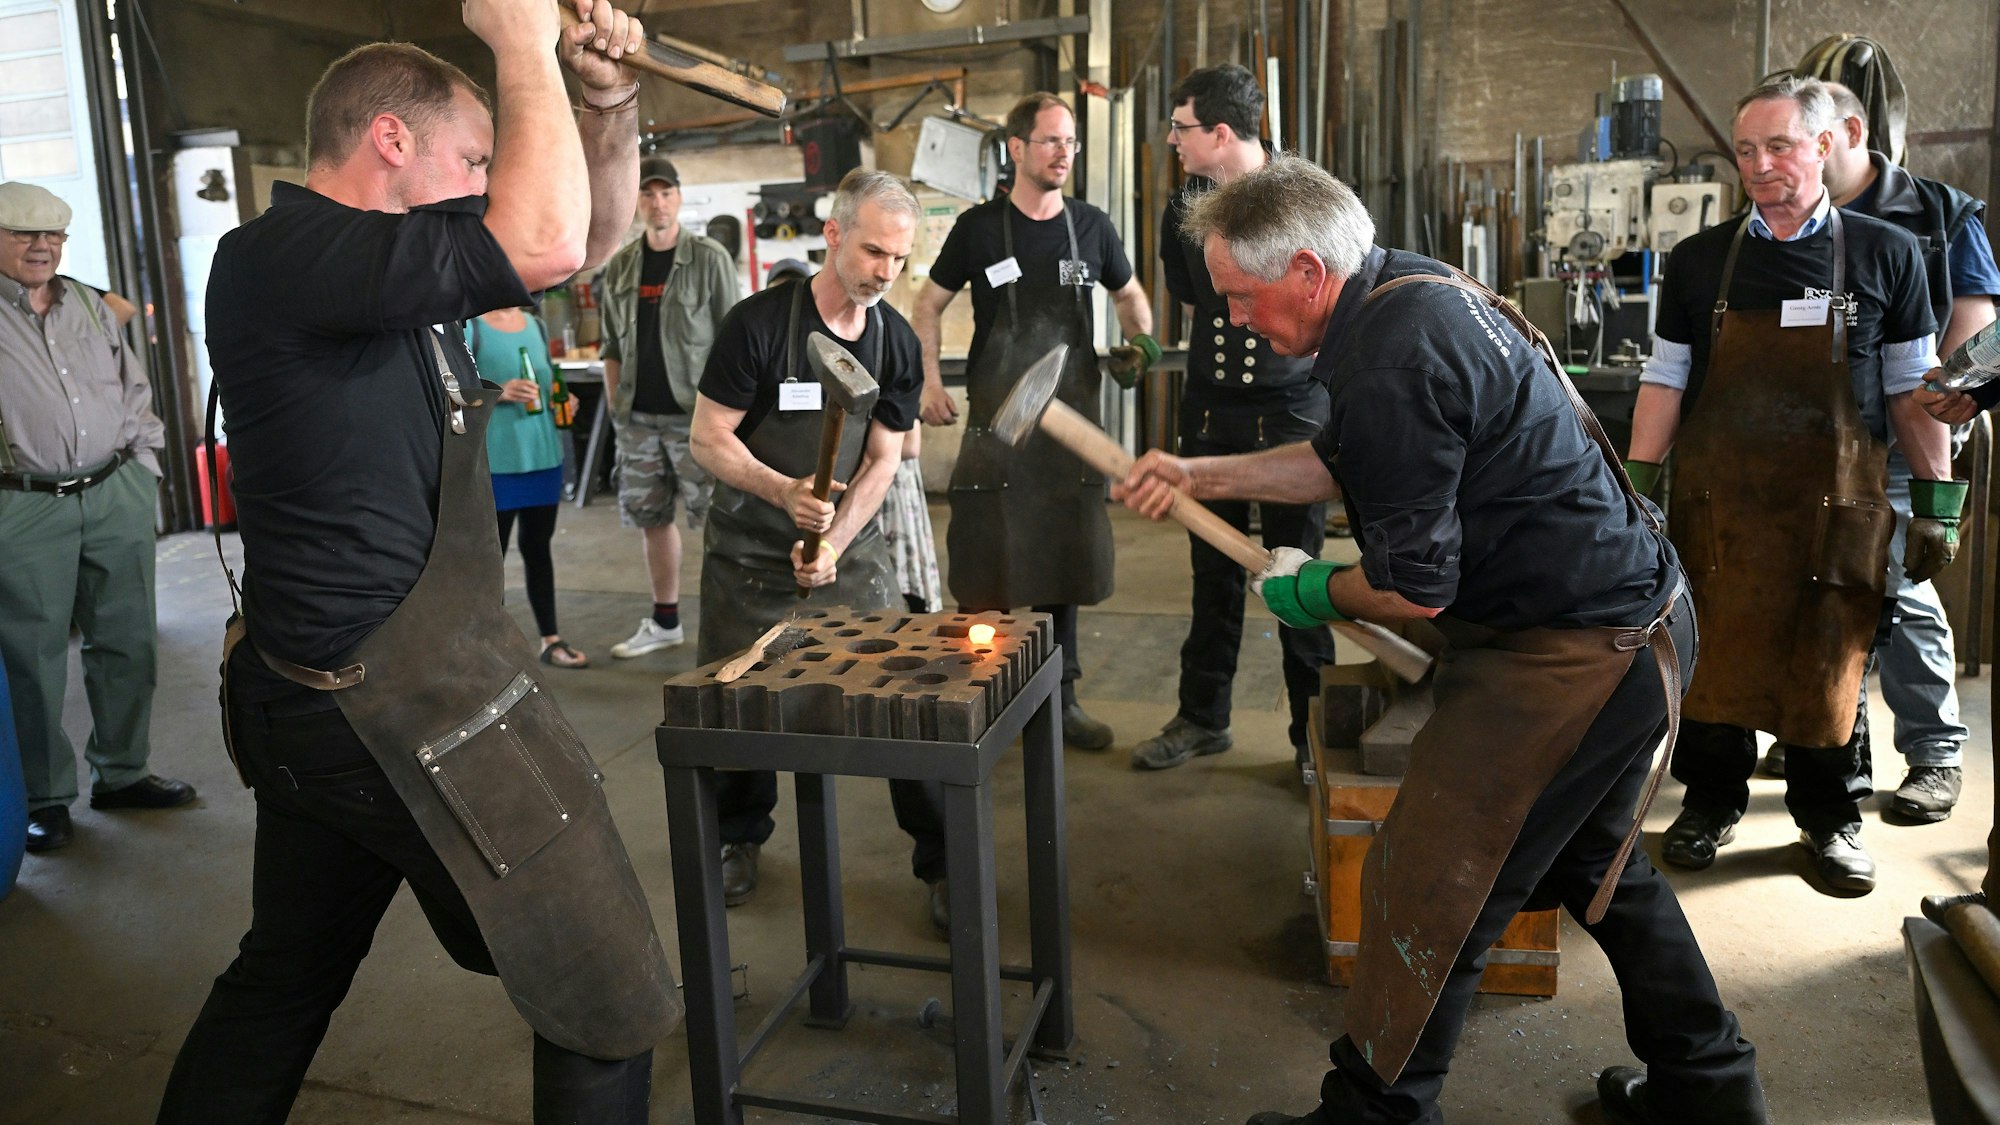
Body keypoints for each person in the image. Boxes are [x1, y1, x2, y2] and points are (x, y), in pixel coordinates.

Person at [1115, 154, 1765, 1125]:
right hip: (1633, 621)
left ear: (1303, 271)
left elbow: (1414, 588)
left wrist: (1314, 591)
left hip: (1576, 658)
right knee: (1593, 871)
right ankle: (1712, 1094)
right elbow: (1340, 461)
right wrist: (1197, 475)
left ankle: (1369, 1116)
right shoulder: (1402, 287)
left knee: (1430, 886)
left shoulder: (1388, 355)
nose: (1232, 320)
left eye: (1239, 297)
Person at [158, 6, 682, 1122]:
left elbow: (575, 236)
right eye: (472, 157)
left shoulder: (387, 273)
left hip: (321, 699)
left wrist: (603, 99)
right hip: (387, 708)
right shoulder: (285, 254)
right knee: (606, 992)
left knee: (284, 979)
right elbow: (539, 239)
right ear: (392, 140)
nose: (487, 179)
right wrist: (518, 43)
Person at [1627, 75, 1954, 896]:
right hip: (1721, 504)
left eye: (1778, 146)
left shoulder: (1887, 253)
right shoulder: (1699, 261)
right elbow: (1667, 380)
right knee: (1713, 653)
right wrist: (1635, 484)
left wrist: (1938, 503)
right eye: (1746, 150)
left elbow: (1915, 392)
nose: (1760, 165)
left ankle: (1829, 817)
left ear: (1825, 145)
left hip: (1834, 505)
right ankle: (1707, 803)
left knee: (1829, 655)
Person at [689, 168, 949, 932]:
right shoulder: (758, 325)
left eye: (899, 260)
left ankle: (939, 852)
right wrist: (782, 493)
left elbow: (882, 462)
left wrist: (832, 537)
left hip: (848, 552)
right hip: (747, 550)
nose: (884, 273)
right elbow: (708, 438)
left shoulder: (895, 340)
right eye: (872, 252)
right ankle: (739, 835)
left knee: (901, 694)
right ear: (833, 235)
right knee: (738, 705)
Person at [914, 92, 1157, 749]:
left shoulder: (1092, 226)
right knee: (983, 563)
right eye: (1050, 141)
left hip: (1072, 426)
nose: (1063, 153)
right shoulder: (978, 229)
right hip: (996, 425)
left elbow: (1133, 298)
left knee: (1064, 563)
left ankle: (1060, 699)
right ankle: (977, 693)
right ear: (1017, 148)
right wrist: (931, 382)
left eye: (1070, 142)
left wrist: (1143, 346)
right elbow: (927, 305)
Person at [1131, 64, 1334, 772]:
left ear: (1220, 132)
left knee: (1297, 578)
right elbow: (1197, 312)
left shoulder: (1302, 196)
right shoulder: (1183, 206)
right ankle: (1201, 715)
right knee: (1211, 573)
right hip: (1213, 410)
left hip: (1292, 413)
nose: (1173, 140)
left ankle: (1311, 738)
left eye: (1181, 128)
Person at [1817, 80, 2000, 824]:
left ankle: (1934, 752)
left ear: (1854, 130)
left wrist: (1951, 401)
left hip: (1906, 430)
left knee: (1902, 587)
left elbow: (1975, 322)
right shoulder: (1790, 212)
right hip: (1821, 438)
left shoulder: (1939, 214)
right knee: (1824, 584)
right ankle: (1832, 732)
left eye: (1809, 135)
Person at [0, 181, 189, 855]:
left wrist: (145, 466)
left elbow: (132, 387)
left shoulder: (88, 303)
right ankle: (47, 797)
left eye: (52, 234)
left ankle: (122, 771)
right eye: (23, 233)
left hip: (114, 489)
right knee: (33, 655)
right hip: (23, 501)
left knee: (127, 639)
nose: (41, 245)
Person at [598, 154, 739, 659]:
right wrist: (618, 410)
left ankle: (732, 622)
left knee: (720, 519)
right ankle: (665, 622)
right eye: (647, 194)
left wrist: (732, 421)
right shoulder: (620, 265)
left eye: (665, 193)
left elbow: (733, 342)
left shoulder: (709, 259)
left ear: (678, 198)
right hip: (638, 420)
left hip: (696, 419)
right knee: (650, 518)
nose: (657, 203)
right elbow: (611, 346)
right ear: (636, 202)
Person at [467, 304, 588, 667]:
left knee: (539, 549)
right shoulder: (470, 328)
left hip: (542, 454)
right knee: (492, 556)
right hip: (497, 459)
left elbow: (548, 379)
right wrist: (499, 392)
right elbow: (454, 391)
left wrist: (562, 398)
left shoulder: (535, 325)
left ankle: (550, 640)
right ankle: (483, 646)